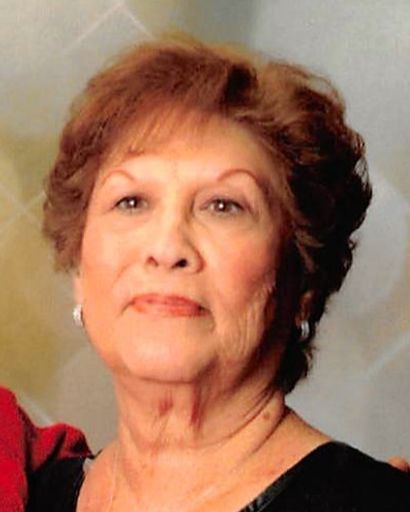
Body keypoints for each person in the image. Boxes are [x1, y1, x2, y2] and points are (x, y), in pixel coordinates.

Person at [26, 34, 409, 510]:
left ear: (304, 280)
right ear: (79, 271)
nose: (167, 248)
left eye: (223, 206)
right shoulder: (27, 493)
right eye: (131, 202)